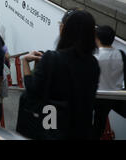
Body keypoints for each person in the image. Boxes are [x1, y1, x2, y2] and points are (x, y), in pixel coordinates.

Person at [19, 9, 100, 139]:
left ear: (64, 29)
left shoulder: (52, 58)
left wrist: (24, 62)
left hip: (52, 127)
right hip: (80, 130)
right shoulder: (93, 63)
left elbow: (32, 91)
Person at [92, 25, 125, 140]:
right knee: (100, 124)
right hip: (116, 97)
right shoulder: (121, 54)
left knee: (95, 124)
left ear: (97, 38)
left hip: (98, 96)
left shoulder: (95, 57)